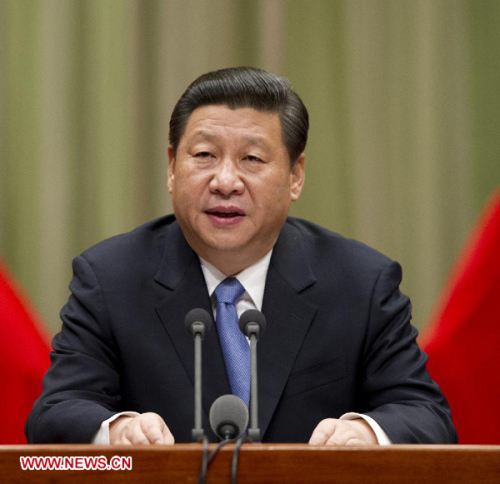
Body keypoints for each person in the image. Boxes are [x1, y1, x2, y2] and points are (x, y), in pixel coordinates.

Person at [26, 67, 456, 446]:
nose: (226, 181)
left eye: (251, 159)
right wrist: (115, 429)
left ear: (295, 176)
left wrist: (367, 431)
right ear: (172, 168)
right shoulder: (110, 278)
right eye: (204, 156)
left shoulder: (361, 282)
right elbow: (57, 411)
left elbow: (425, 415)